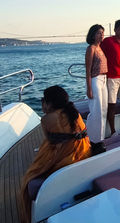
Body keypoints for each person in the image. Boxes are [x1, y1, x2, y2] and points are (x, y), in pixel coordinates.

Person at [19, 86, 91, 223]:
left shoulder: (46, 119)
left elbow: (51, 143)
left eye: (44, 101)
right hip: (85, 152)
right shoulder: (73, 112)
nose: (42, 104)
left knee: (30, 175)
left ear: (50, 104)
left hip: (67, 159)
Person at [101, 19, 120, 134]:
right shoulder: (108, 41)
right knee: (111, 105)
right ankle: (113, 132)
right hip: (111, 78)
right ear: (115, 30)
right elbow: (98, 52)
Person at [85, 24, 108, 143]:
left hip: (104, 80)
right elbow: (88, 69)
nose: (101, 35)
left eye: (102, 33)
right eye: (99, 33)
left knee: (103, 111)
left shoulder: (100, 48)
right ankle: (93, 140)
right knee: (96, 111)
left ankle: (101, 139)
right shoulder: (91, 48)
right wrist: (89, 88)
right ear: (93, 35)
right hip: (95, 80)